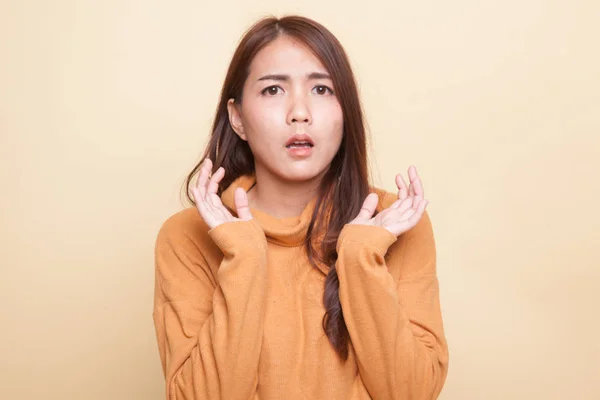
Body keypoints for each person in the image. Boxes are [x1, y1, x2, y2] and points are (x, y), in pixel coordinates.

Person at [152, 14, 449, 400]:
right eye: (273, 90)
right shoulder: (187, 235)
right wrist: (243, 256)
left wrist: (361, 256)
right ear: (237, 118)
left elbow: (412, 393)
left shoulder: (394, 223)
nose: (299, 112)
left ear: (347, 111)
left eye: (322, 90)